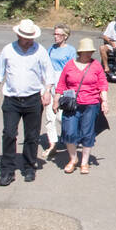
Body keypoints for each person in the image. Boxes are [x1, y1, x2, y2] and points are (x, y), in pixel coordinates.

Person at [0, 18, 54, 186]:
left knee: (32, 135)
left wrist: (47, 91)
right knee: (9, 134)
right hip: (12, 99)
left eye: (31, 37)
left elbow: (49, 73)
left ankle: (29, 166)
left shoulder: (40, 51)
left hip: (33, 98)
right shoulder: (8, 50)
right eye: (25, 36)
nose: (28, 40)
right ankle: (7, 170)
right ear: (19, 35)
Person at [52, 38, 109, 175]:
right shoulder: (70, 65)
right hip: (72, 104)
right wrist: (56, 100)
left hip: (91, 104)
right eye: (86, 52)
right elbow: (61, 84)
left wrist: (105, 101)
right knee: (69, 131)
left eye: (90, 51)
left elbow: (102, 84)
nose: (89, 54)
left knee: (87, 133)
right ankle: (73, 159)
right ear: (80, 52)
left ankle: (84, 162)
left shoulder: (96, 65)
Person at [43, 25, 76, 158]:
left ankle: (70, 139)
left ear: (65, 36)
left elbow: (73, 69)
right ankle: (53, 144)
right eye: (55, 34)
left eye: (58, 34)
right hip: (50, 82)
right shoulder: (50, 49)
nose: (55, 36)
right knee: (49, 116)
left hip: (64, 83)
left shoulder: (71, 51)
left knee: (61, 116)